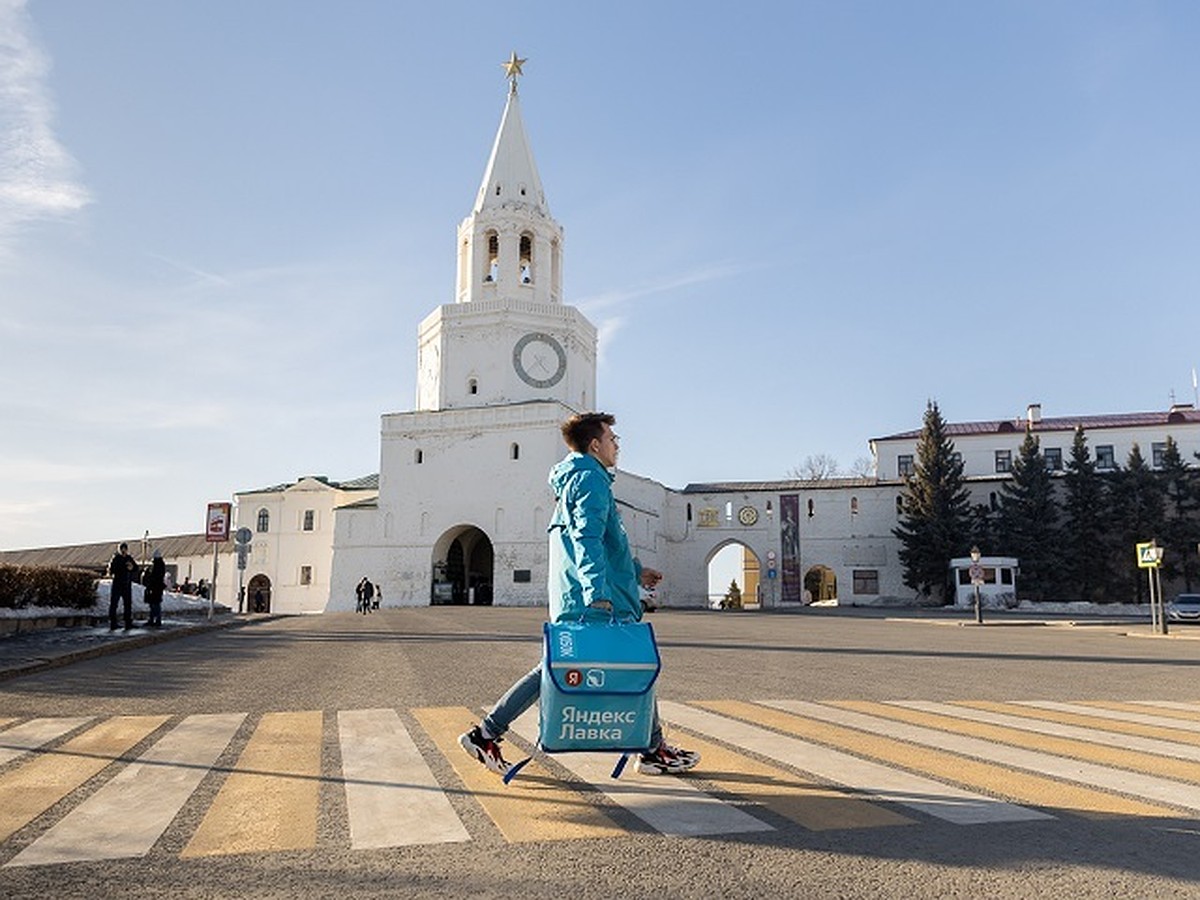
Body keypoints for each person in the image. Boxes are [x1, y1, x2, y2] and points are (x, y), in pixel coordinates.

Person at [459, 412, 699, 776]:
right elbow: (586, 540)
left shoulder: (580, 479)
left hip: (584, 594)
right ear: (595, 444)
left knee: (621, 665)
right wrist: (596, 593)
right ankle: (486, 733)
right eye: (612, 438)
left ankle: (652, 747)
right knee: (627, 664)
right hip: (596, 600)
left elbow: (602, 540)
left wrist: (635, 570)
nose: (617, 445)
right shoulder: (590, 480)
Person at [108, 542, 138, 631]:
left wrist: (131, 567)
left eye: (125, 549)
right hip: (117, 583)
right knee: (114, 604)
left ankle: (128, 623)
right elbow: (111, 570)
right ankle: (113, 623)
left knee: (128, 604)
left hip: (127, 584)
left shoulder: (129, 558)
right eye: (122, 549)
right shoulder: (116, 558)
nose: (124, 551)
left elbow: (136, 568)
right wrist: (123, 568)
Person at [143, 549, 166, 626]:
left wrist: (149, 577)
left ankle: (156, 620)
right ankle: (153, 619)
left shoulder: (157, 565)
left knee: (155, 604)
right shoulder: (159, 564)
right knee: (154, 604)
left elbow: (155, 576)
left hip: (156, 587)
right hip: (156, 587)